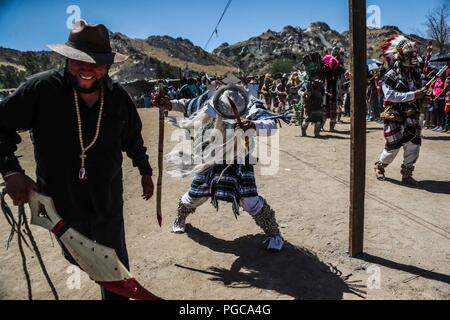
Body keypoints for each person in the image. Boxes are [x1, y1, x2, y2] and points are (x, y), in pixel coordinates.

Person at [0, 20, 155, 300]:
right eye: (78, 60)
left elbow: (133, 139)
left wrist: (144, 170)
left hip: (106, 200)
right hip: (60, 204)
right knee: (79, 258)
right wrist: (11, 171)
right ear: (67, 58)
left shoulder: (118, 98)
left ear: (108, 65)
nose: (86, 69)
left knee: (114, 268)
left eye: (96, 62)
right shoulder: (42, 89)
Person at [158, 83, 290, 252]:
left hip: (240, 160)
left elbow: (270, 123)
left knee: (250, 200)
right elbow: (185, 104)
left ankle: (274, 234)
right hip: (210, 157)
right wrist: (168, 104)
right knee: (195, 196)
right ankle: (180, 218)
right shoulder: (209, 100)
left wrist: (254, 124)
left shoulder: (250, 102)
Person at [374, 35, 427, 186]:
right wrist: (413, 95)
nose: (413, 58)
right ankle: (380, 165)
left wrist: (424, 95)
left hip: (412, 114)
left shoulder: (416, 75)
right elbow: (390, 95)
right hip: (394, 114)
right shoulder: (390, 75)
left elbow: (420, 93)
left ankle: (407, 173)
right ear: (402, 56)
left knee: (414, 143)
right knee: (393, 145)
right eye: (410, 55)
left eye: (414, 55)